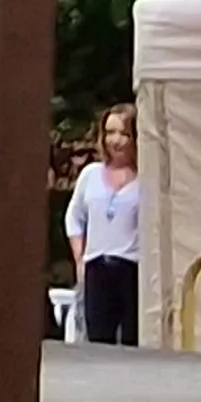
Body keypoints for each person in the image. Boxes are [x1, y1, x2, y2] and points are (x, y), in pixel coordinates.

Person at [67, 103, 143, 346]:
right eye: (110, 133)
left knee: (132, 338)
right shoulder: (90, 174)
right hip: (97, 266)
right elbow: (74, 217)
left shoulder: (145, 179)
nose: (116, 141)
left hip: (131, 267)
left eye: (123, 134)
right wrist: (80, 257)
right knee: (98, 339)